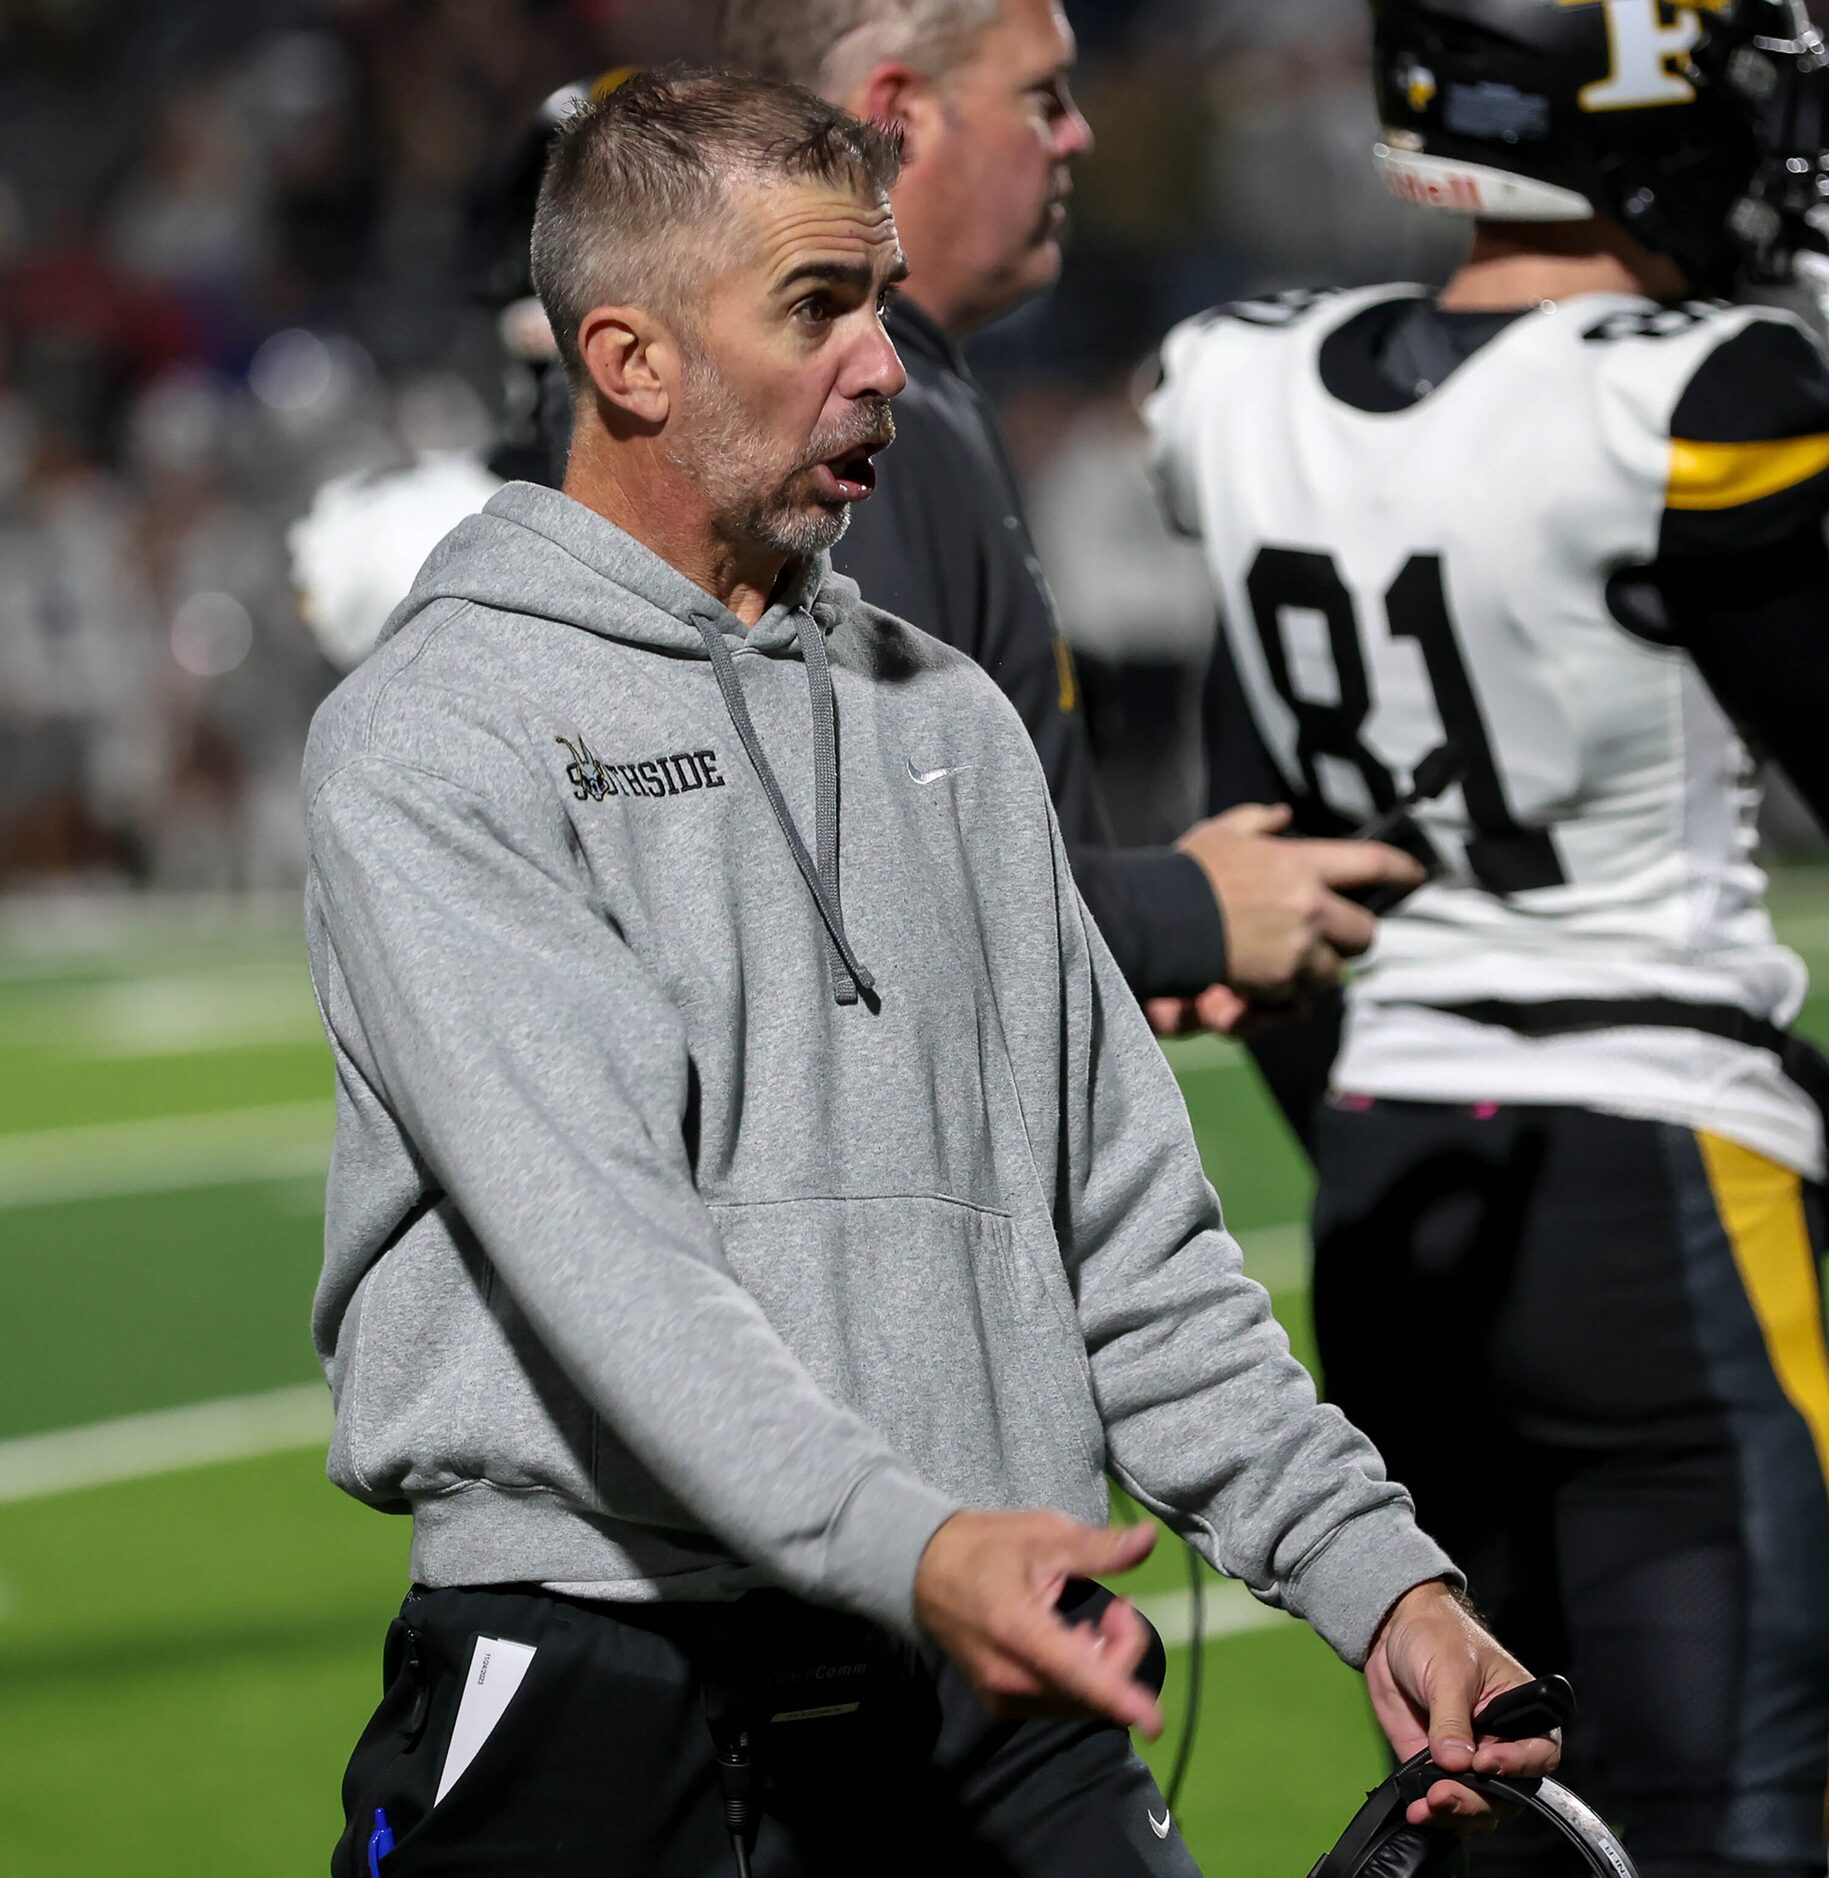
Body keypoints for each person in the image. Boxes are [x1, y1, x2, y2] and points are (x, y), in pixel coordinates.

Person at [303, 67, 1556, 1877]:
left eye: (882, 302)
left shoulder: (945, 721)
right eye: (816, 308)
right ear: (629, 359)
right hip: (612, 1679)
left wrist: (1383, 1585)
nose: (882, 364)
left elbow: (1130, 1248)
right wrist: (910, 1538)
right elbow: (610, 1267)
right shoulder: (442, 734)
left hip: (990, 1671)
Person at [1144, 3, 1829, 1873]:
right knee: (1730, 1806)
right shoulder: (1693, 387)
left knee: (1500, 1804)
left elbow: (1249, 859)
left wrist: (1365, 1099)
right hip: (1664, 1169)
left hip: (1387, 1174)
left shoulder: (1252, 381)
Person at [717, 0, 1425, 1030]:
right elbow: (872, 872)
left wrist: (1124, 948)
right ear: (896, 115)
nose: (1077, 132)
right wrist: (1182, 912)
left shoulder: (913, 393)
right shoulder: (853, 416)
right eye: (1041, 97)